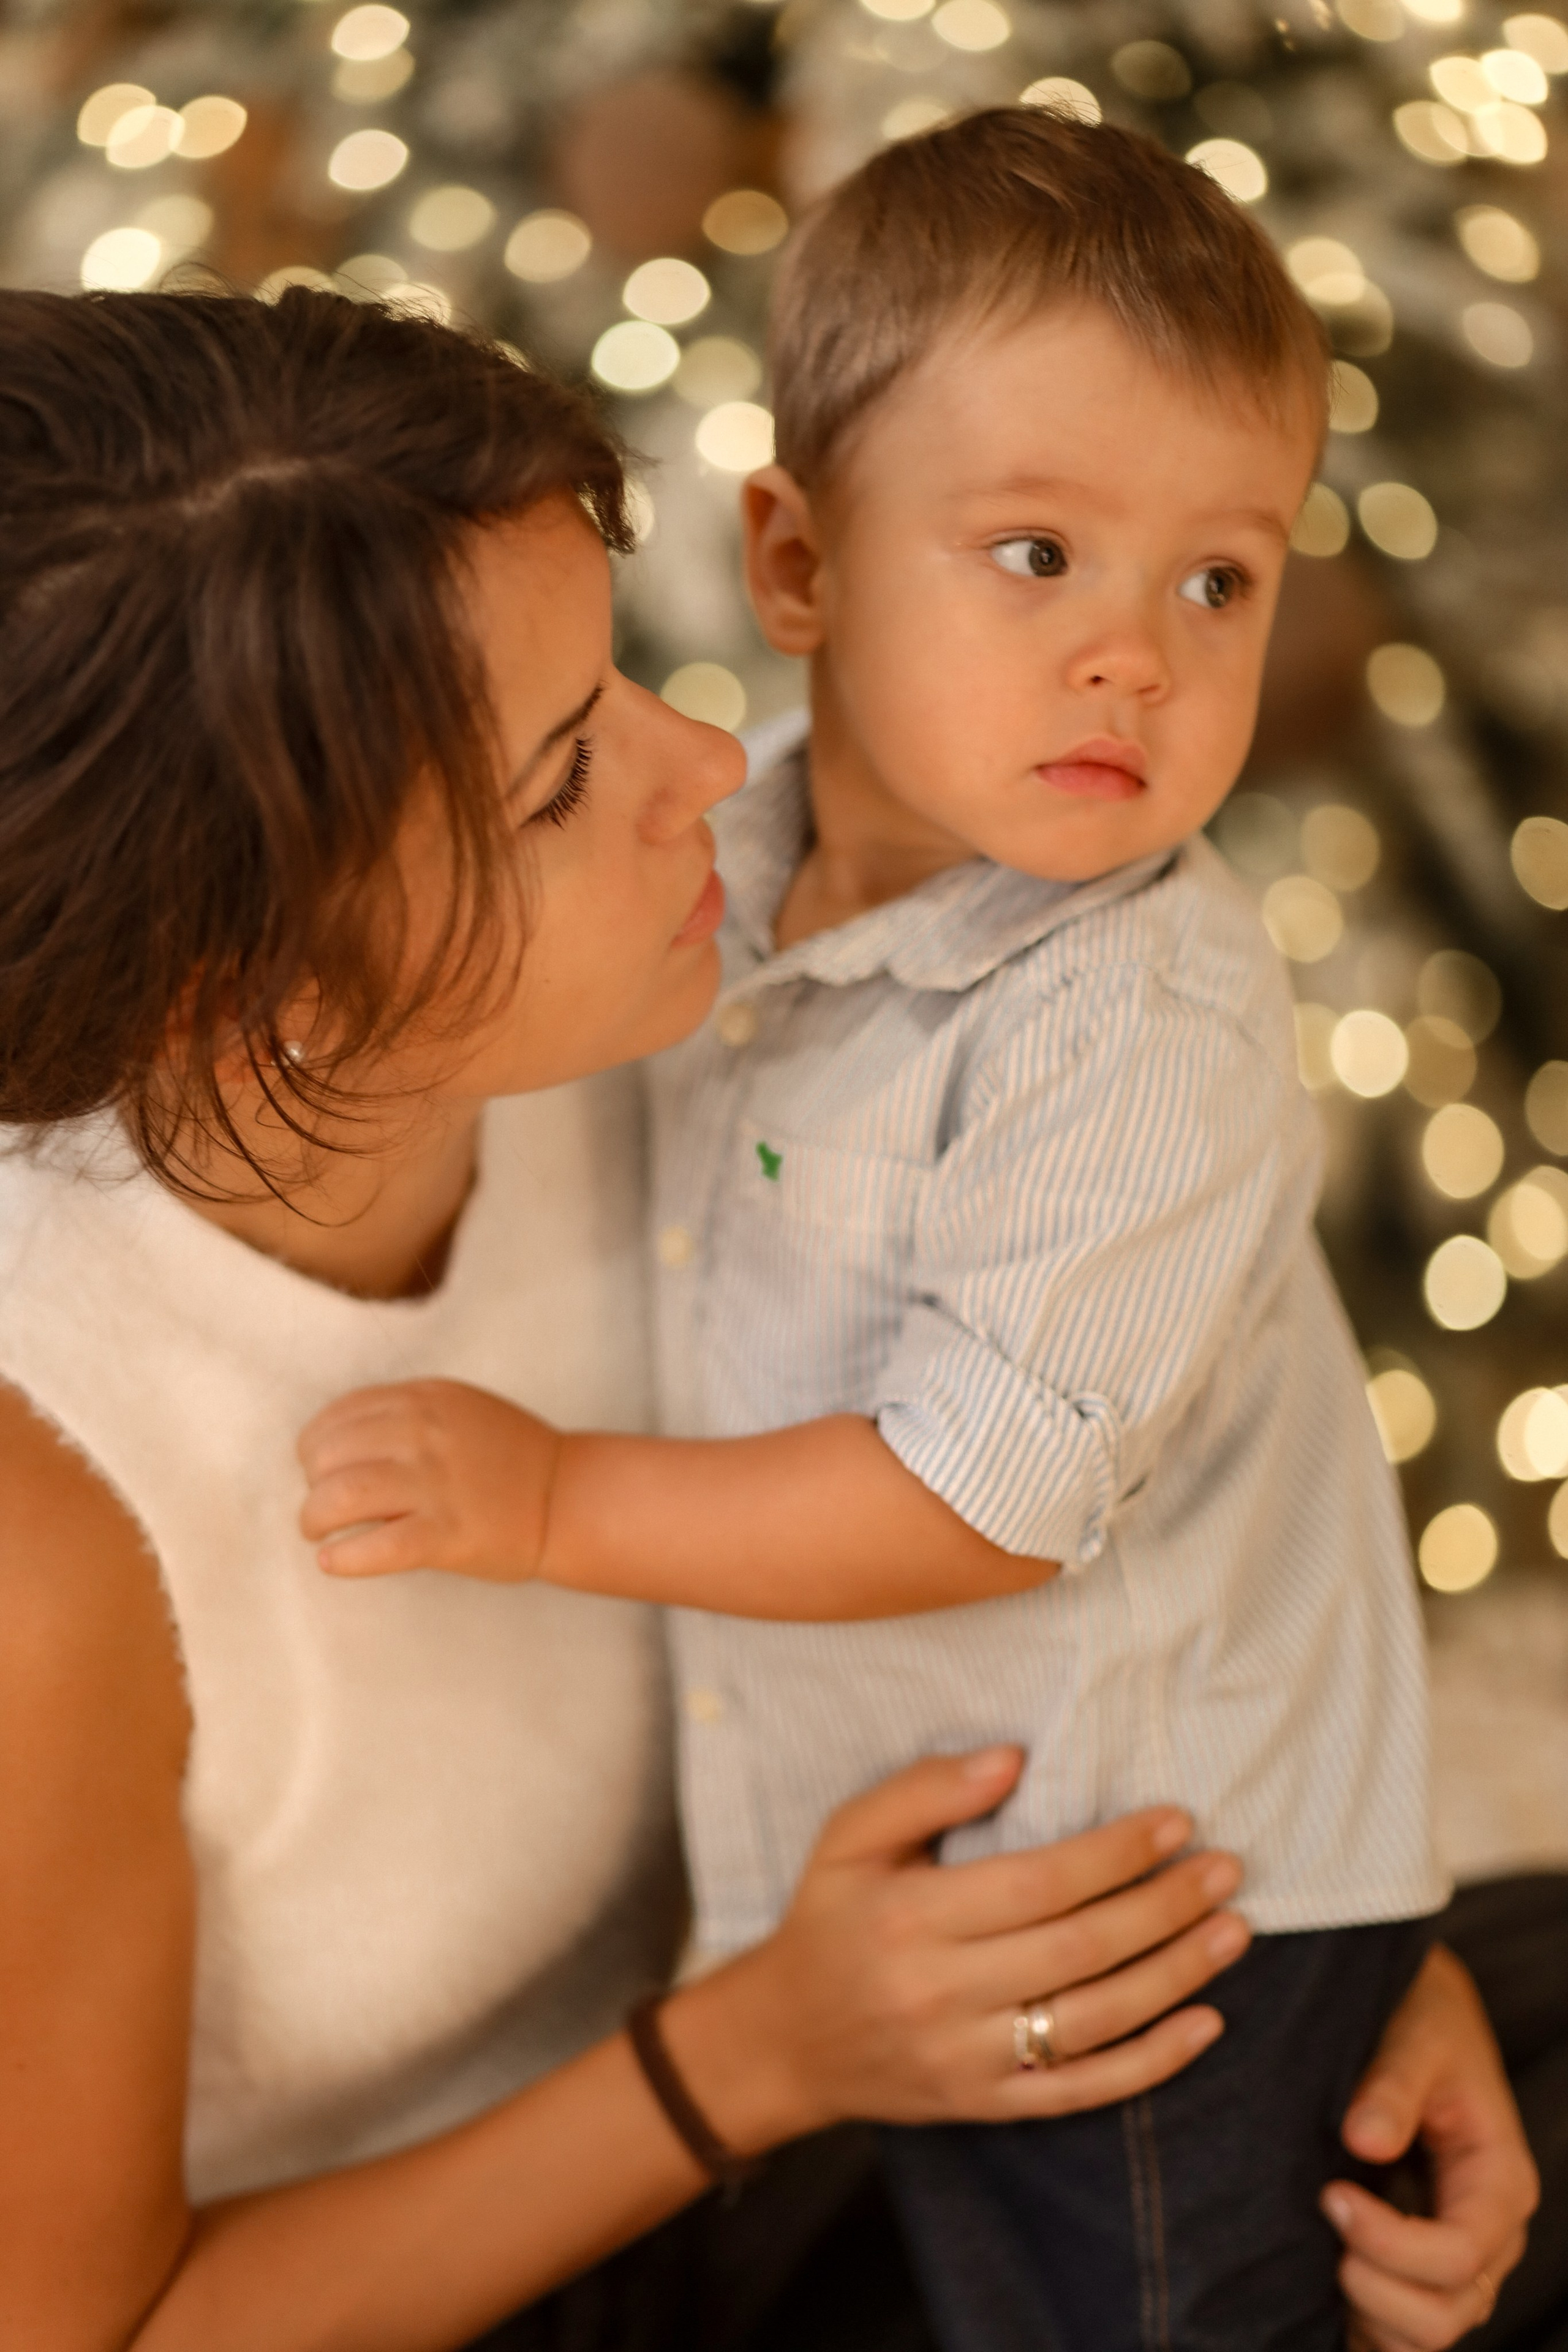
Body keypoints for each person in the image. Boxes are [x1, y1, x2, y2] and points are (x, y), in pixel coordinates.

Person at [0, 285, 1535, 2352]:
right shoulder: (51, 1529)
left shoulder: (701, 994)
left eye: (619, 674)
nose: (711, 760)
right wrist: (756, 2059)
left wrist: (1313, 1951)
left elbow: (1092, 1471)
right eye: (561, 781)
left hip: (816, 2032)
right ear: (261, 994)